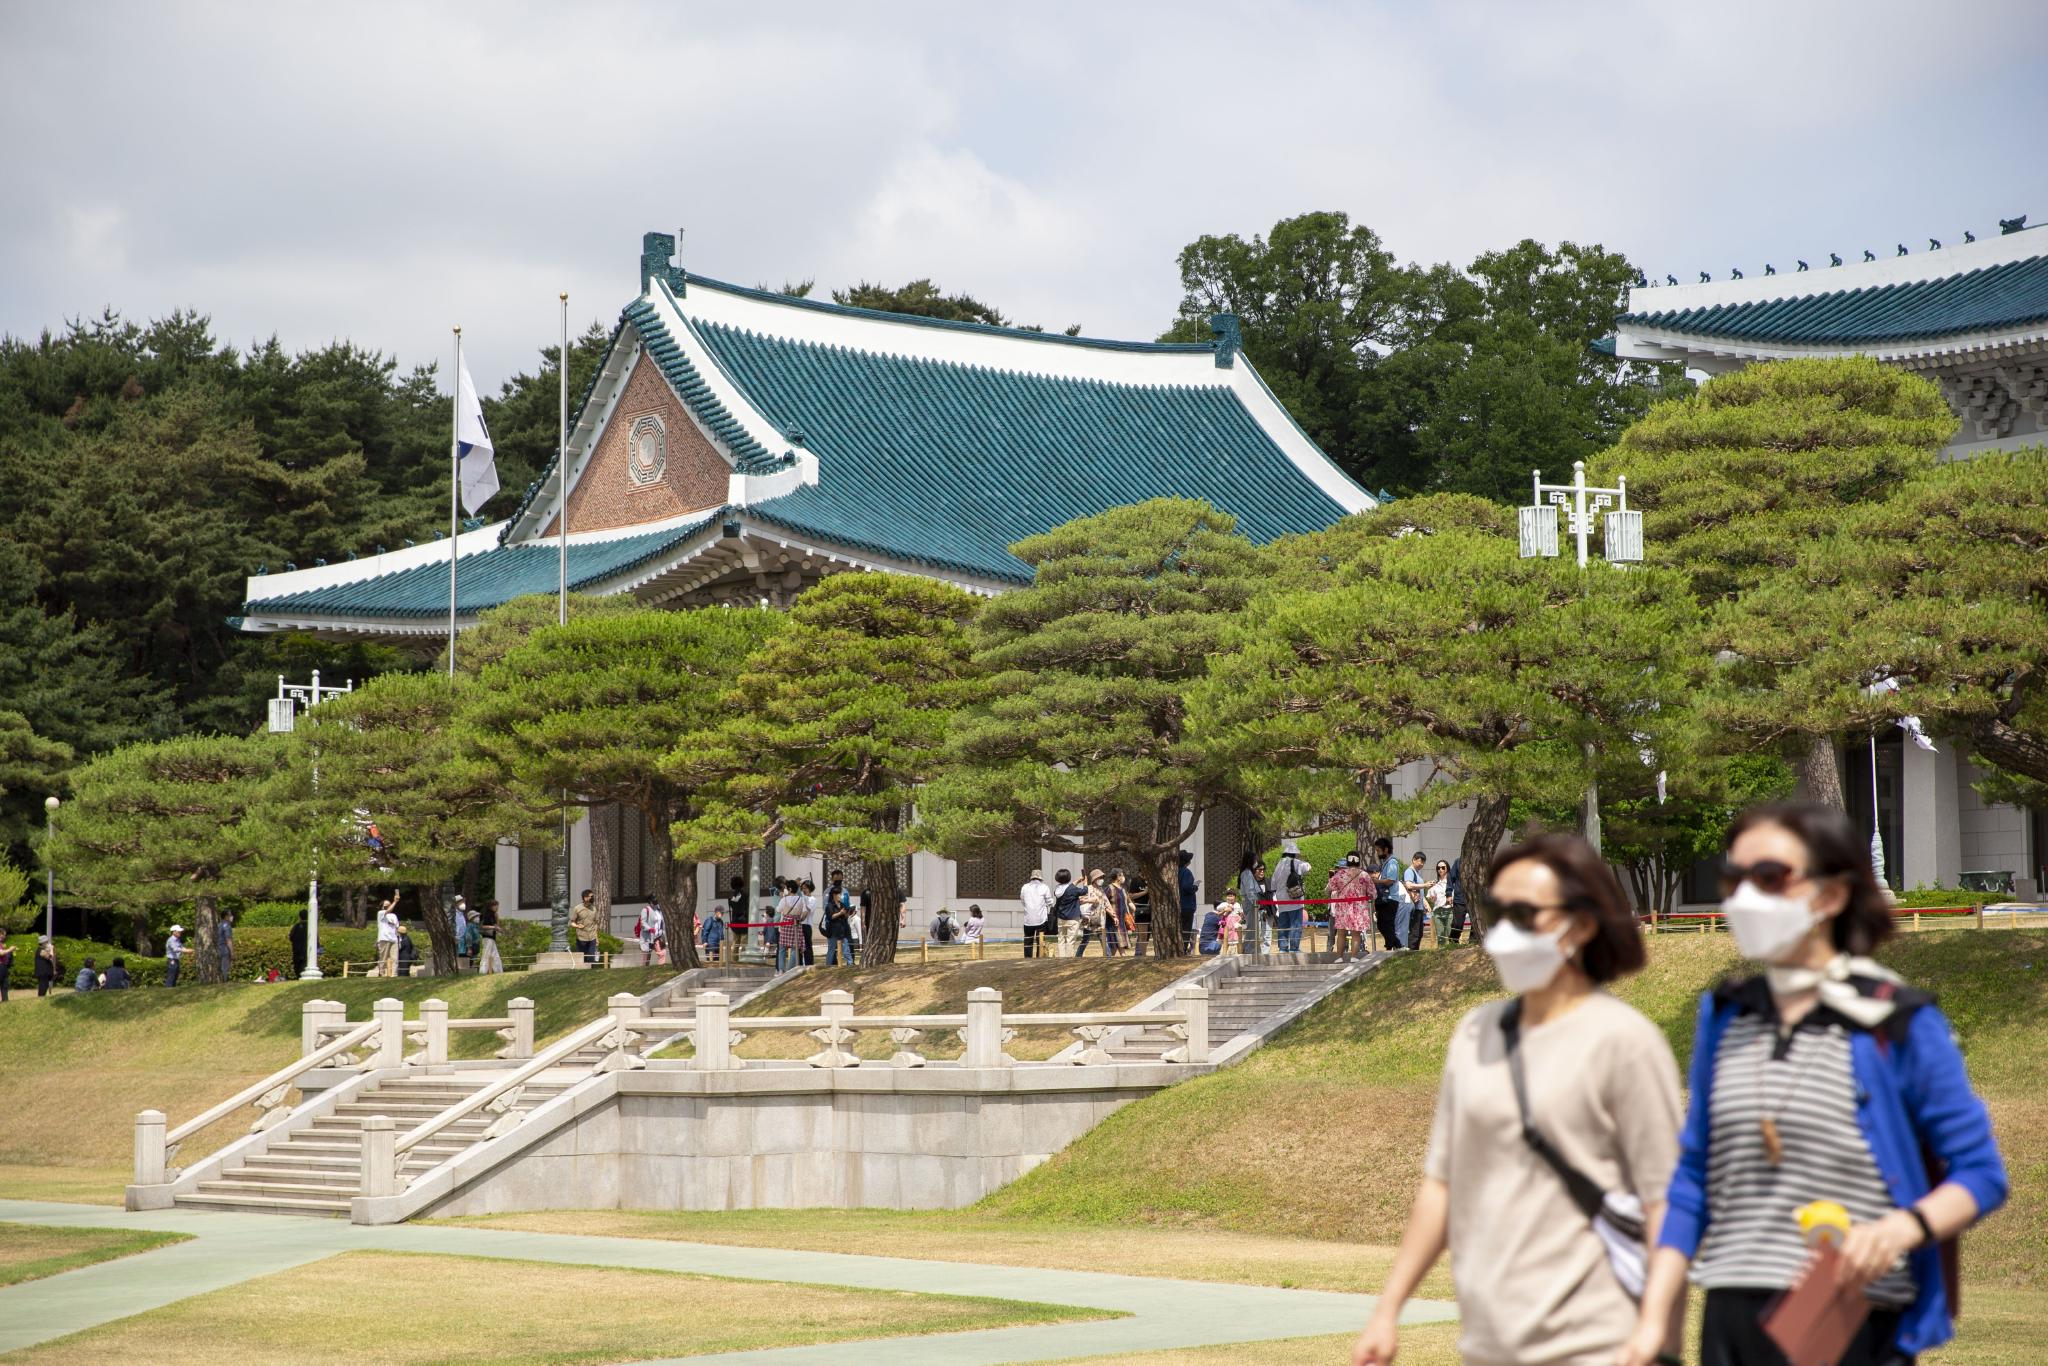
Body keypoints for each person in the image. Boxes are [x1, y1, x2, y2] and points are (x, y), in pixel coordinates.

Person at [1620, 802, 2010, 1366]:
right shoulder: (1726, 1016)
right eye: (1734, 878)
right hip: (1730, 1315)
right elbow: (1691, 1178)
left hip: (1851, 1318)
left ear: (1830, 895)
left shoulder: (1896, 1020)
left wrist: (1905, 1227)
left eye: (1770, 877)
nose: (1744, 896)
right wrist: (1654, 1321)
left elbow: (1980, 1174)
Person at [1354, 832, 1683, 1366]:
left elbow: (1664, 1201)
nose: (1506, 930)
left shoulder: (1625, 1042)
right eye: (1496, 910)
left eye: (1525, 913)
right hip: (1488, 1342)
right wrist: (1387, 1309)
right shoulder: (1475, 1033)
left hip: (1597, 1340)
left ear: (1581, 924)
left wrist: (1654, 1329)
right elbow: (1443, 1184)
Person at [1328, 853, 1374, 958]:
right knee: (1356, 934)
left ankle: (1339, 957)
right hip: (1359, 908)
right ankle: (1353, 957)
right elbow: (1372, 892)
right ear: (1358, 861)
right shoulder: (1364, 875)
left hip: (1343, 907)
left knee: (1341, 934)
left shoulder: (1340, 874)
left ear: (1347, 862)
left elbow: (1331, 886)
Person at [1274, 841, 1313, 953]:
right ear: (1295, 853)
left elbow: (1273, 882)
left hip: (1281, 900)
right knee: (1295, 924)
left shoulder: (1279, 864)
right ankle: (1294, 948)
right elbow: (1308, 867)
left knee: (1283, 925)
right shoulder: (1298, 863)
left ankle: (1282, 948)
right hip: (1294, 899)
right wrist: (1302, 860)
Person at [1373, 838, 1404, 951]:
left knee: (1386, 924)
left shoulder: (1392, 862)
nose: (1377, 853)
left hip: (1390, 899)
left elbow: (1390, 880)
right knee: (1382, 924)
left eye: (1378, 850)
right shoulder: (1386, 863)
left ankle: (1397, 945)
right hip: (1384, 899)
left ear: (1385, 849)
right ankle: (1390, 946)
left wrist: (1377, 881)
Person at [822, 873, 857, 967]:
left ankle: (850, 963)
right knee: (832, 947)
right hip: (833, 927)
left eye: (840, 879)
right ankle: (829, 965)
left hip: (843, 926)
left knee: (846, 945)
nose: (840, 895)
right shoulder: (829, 901)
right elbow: (829, 914)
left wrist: (848, 913)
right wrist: (839, 913)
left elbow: (846, 909)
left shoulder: (843, 897)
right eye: (839, 894)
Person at [1019, 871, 1053, 959]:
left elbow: (1022, 900)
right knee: (1040, 941)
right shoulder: (1044, 887)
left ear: (1031, 877)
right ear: (1040, 878)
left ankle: (1027, 958)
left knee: (1028, 940)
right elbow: (1050, 902)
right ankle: (1039, 958)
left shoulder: (1024, 887)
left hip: (1028, 920)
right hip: (1040, 919)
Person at [1050, 869, 1084, 957]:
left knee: (1061, 940)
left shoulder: (1057, 889)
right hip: (1072, 919)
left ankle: (1062, 959)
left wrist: (1078, 880)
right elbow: (1084, 891)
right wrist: (1086, 883)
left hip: (1061, 918)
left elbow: (1068, 888)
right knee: (1070, 941)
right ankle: (1068, 961)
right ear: (1068, 878)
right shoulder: (1072, 889)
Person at [1402, 852, 1429, 950]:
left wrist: (1426, 904)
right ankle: (1411, 954)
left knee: (1419, 933)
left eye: (1423, 862)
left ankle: (1414, 952)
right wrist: (1425, 885)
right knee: (1415, 933)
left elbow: (1419, 891)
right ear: (1414, 860)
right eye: (1420, 861)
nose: (1422, 864)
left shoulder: (1416, 873)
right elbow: (1408, 885)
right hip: (1414, 908)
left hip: (1419, 907)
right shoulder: (1410, 871)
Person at [1442, 856, 1472, 945]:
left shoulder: (1481, 861)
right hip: (1460, 898)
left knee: (1476, 923)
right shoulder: (1458, 861)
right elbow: (1450, 878)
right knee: (1457, 924)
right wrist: (1449, 894)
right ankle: (1453, 943)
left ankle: (1473, 943)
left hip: (1475, 900)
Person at [571, 889, 602, 967]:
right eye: (591, 896)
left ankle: (592, 974)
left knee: (592, 958)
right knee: (582, 959)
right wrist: (578, 926)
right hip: (581, 937)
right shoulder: (577, 908)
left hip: (592, 937)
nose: (593, 898)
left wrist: (596, 937)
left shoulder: (594, 908)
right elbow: (572, 923)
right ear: (585, 898)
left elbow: (595, 924)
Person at [1105, 871, 1131, 956]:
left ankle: (1109, 959)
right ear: (1117, 877)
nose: (1123, 877)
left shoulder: (1122, 889)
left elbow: (1127, 902)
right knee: (1116, 944)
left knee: (1118, 945)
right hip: (1113, 921)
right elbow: (1104, 903)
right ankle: (1121, 957)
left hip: (1122, 920)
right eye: (1122, 875)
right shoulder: (1109, 888)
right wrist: (1111, 914)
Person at [374, 895, 400, 977]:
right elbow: (388, 910)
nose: (388, 906)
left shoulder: (394, 916)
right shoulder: (380, 913)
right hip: (384, 939)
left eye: (389, 904)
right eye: (386, 905)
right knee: (383, 958)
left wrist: (399, 939)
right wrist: (395, 901)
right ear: (382, 907)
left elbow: (397, 927)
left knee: (395, 958)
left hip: (394, 939)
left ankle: (394, 975)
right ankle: (381, 973)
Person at [1177, 850, 1199, 945]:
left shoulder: (1176, 871)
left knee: (1180, 929)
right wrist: (1195, 886)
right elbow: (1187, 887)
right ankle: (1184, 948)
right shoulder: (1186, 872)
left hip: (1178, 904)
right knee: (1186, 930)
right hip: (1187, 905)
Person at [477, 900, 503, 974]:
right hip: (487, 936)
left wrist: (497, 919)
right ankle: (483, 971)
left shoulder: (494, 915)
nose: (497, 907)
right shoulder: (486, 915)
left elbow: (496, 925)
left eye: (497, 905)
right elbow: (482, 926)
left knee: (495, 955)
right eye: (495, 905)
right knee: (487, 954)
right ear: (490, 906)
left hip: (492, 937)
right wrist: (493, 927)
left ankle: (498, 971)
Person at [798, 879, 820, 966]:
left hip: (807, 924)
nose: (804, 890)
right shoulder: (801, 898)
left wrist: (804, 900)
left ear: (810, 888)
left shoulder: (813, 899)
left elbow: (808, 911)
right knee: (799, 946)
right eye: (802, 888)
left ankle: (809, 964)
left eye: (806, 888)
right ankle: (799, 964)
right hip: (799, 925)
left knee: (807, 945)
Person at [637, 902, 666, 966]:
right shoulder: (646, 910)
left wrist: (662, 932)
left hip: (658, 936)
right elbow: (643, 923)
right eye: (654, 902)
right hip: (648, 936)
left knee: (662, 953)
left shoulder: (660, 911)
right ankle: (644, 971)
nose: (656, 904)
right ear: (650, 902)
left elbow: (662, 922)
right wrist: (649, 928)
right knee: (646, 957)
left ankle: (661, 969)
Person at [727, 875, 750, 954]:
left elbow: (732, 906)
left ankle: (734, 959)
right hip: (744, 920)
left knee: (735, 942)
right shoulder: (746, 894)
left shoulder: (731, 896)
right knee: (744, 942)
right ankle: (743, 958)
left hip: (735, 921)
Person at [1130, 875, 1151, 957]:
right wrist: (1145, 892)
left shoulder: (1152, 879)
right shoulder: (1135, 880)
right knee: (1143, 934)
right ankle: (1143, 955)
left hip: (1152, 909)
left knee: (1151, 933)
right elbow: (1131, 896)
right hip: (1141, 908)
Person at [288, 911, 308, 979]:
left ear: (299, 917)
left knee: (298, 969)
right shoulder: (311, 926)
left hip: (297, 951)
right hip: (307, 952)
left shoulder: (296, 926)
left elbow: (291, 937)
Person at [217, 910, 235, 980]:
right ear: (226, 916)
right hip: (224, 949)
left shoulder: (219, 925)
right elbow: (228, 940)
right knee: (225, 967)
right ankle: (224, 981)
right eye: (230, 915)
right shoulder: (227, 926)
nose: (232, 917)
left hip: (218, 948)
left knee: (220, 967)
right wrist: (232, 952)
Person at [0, 928, 13, 1002]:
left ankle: (5, 1001)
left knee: (5, 984)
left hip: (3, 966)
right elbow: (1, 953)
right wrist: (10, 949)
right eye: (3, 934)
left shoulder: (1, 944)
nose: (4, 937)